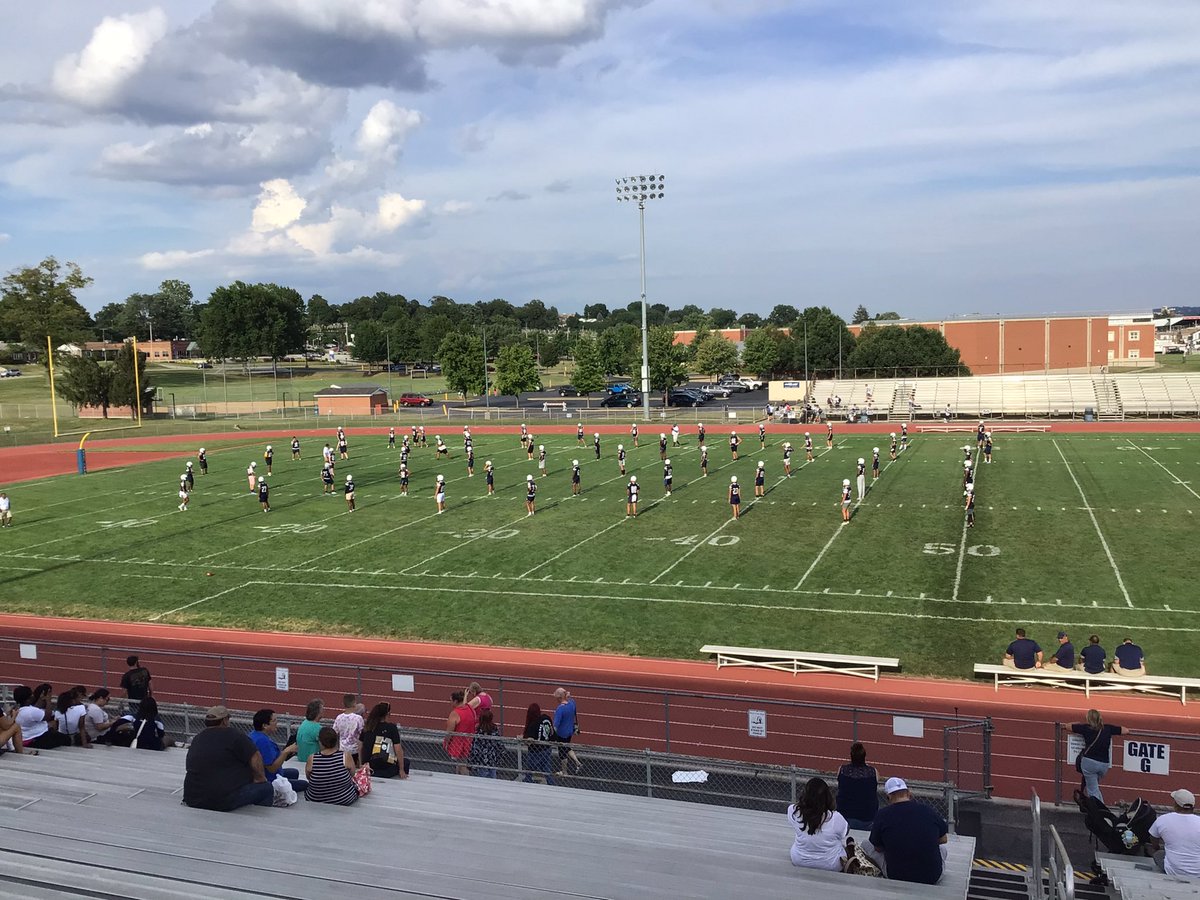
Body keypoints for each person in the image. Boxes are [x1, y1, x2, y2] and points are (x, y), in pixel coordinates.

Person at [183, 706, 272, 811]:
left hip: (193, 798)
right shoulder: (234, 735)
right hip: (222, 800)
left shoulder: (197, 738)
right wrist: (260, 778)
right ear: (225, 721)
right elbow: (255, 757)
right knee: (267, 788)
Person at [866, 777, 949, 885]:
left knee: (866, 844)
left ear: (888, 797)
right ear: (909, 793)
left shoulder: (882, 815)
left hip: (896, 875)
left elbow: (877, 847)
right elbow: (943, 839)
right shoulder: (927, 810)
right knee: (942, 849)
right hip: (932, 876)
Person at [787, 777, 850, 872]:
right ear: (827, 796)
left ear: (805, 794)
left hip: (800, 860)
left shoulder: (793, 811)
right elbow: (845, 832)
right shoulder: (836, 818)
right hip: (831, 864)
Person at [1071, 709, 1122, 802]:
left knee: (1092, 791)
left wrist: (1077, 723)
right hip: (1104, 765)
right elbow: (1125, 730)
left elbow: (1067, 726)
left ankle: (1098, 812)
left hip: (1089, 763)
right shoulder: (1108, 728)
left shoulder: (1085, 728)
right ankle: (1101, 810)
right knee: (1094, 788)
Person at [250, 709, 306, 793]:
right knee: (305, 784)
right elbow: (271, 768)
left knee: (294, 772)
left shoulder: (254, 735)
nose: (277, 722)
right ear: (265, 725)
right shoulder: (263, 742)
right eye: (274, 720)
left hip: (267, 774)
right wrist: (286, 752)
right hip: (271, 780)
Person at [1148, 789, 1200, 877]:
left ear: (1176, 805)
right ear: (1193, 806)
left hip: (1172, 871)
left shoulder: (1163, 819)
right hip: (1198, 872)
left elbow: (1153, 838)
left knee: (1158, 854)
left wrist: (1157, 847)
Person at [305, 726, 361, 806]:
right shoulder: (345, 756)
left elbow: (308, 777)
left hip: (315, 798)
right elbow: (352, 774)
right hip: (343, 799)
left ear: (320, 742)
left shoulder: (312, 758)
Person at [360, 702, 409, 780]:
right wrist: (401, 769)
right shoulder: (391, 728)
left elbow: (360, 746)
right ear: (387, 714)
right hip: (386, 767)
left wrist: (361, 764)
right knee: (406, 762)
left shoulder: (367, 727)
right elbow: (398, 749)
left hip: (369, 765)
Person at [836, 742, 879, 829]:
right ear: (864, 756)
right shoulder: (873, 772)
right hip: (867, 818)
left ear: (851, 756)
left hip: (845, 816)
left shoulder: (842, 770)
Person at [13, 684, 67, 749]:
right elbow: (47, 716)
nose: (33, 696)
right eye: (31, 695)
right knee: (66, 739)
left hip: (27, 737)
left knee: (52, 725)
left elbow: (35, 713)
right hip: (37, 739)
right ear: (28, 699)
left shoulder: (19, 710)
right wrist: (48, 699)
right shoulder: (31, 711)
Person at [521, 702, 556, 785]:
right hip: (547, 748)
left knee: (530, 767)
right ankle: (551, 783)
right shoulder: (546, 718)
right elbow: (551, 731)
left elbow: (530, 741)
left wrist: (522, 740)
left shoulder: (533, 725)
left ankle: (528, 780)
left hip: (536, 751)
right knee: (547, 768)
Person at [444, 690, 476, 775]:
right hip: (470, 740)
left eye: (451, 700)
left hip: (458, 743)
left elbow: (449, 732)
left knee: (462, 765)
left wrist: (446, 742)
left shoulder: (455, 713)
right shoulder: (470, 709)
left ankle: (464, 782)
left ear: (455, 701)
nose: (450, 703)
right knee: (462, 764)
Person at [552, 687, 582, 775]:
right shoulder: (572, 703)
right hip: (570, 731)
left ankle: (564, 772)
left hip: (561, 734)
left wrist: (552, 736)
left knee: (562, 753)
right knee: (567, 747)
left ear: (559, 698)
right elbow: (570, 699)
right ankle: (577, 762)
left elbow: (556, 725)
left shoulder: (560, 709)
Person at [470, 709, 503, 779]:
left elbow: (475, 746)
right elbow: (499, 744)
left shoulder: (479, 731)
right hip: (492, 757)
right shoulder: (494, 729)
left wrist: (472, 759)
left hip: (482, 758)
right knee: (493, 775)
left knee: (482, 777)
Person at [333, 693, 365, 763]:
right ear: (354, 703)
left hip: (342, 751)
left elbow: (334, 733)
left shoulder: (339, 718)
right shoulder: (358, 718)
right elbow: (362, 736)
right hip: (354, 751)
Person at [295, 699, 323, 768]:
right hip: (311, 761)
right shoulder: (317, 728)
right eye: (322, 710)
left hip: (301, 758)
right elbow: (325, 748)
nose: (323, 712)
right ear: (318, 712)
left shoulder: (304, 723)